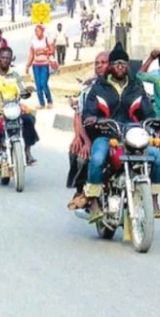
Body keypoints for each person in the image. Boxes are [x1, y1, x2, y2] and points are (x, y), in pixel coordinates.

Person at [80, 42, 160, 220]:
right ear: (110, 66)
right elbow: (88, 112)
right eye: (116, 63)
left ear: (127, 66)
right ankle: (94, 200)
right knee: (97, 158)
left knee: (157, 156)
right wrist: (92, 119)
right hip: (107, 135)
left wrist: (158, 119)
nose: (119, 67)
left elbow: (147, 110)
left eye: (123, 64)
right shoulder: (98, 88)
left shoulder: (136, 87)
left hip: (134, 136)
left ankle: (154, 199)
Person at [0, 47, 39, 166]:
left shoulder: (15, 75)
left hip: (13, 109)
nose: (5, 60)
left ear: (11, 60)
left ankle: (27, 151)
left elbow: (22, 91)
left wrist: (27, 92)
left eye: (8, 59)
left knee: (30, 119)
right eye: (3, 58)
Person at [67, 51, 109, 209]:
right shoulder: (88, 86)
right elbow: (79, 113)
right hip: (93, 132)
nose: (99, 66)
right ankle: (80, 191)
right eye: (97, 63)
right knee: (80, 152)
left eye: (103, 62)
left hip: (119, 132)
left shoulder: (124, 83)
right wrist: (81, 139)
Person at [25, 25, 54, 109]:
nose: (37, 32)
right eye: (35, 31)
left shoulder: (47, 39)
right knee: (38, 85)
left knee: (43, 83)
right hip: (35, 65)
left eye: (38, 30)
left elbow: (52, 50)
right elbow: (31, 54)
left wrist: (44, 51)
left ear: (42, 31)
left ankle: (49, 100)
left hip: (45, 64)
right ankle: (41, 103)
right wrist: (28, 65)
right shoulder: (33, 41)